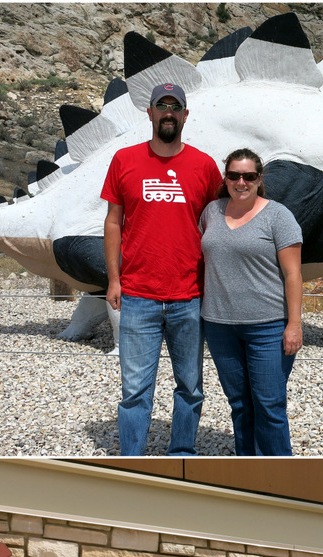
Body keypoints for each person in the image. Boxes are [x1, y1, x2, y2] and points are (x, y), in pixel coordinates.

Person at [102, 83, 222, 456]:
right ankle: (132, 458)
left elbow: (221, 221)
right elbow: (112, 222)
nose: (168, 112)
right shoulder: (124, 160)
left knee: (190, 385)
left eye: (176, 107)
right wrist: (113, 280)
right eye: (161, 106)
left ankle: (182, 453)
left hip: (190, 296)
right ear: (149, 112)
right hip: (138, 296)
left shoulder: (204, 165)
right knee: (135, 389)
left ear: (185, 115)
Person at [200, 148, 304, 456]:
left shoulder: (278, 216)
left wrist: (294, 324)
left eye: (248, 176)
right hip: (219, 326)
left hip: (268, 328)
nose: (240, 182)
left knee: (269, 405)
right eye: (234, 175)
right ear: (226, 178)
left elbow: (293, 274)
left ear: (259, 179)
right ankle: (248, 469)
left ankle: (280, 477)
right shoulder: (211, 212)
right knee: (240, 405)